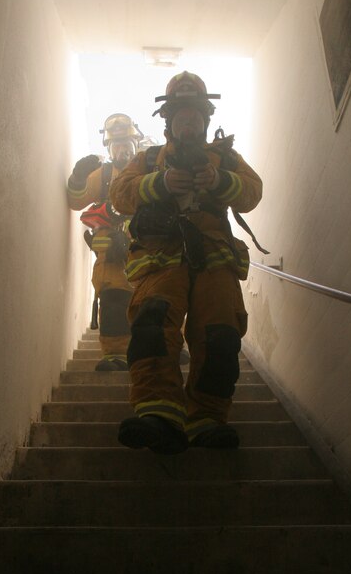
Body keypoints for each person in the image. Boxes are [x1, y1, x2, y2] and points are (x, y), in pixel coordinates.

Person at [109, 71, 263, 452]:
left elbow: (252, 191)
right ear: (169, 123)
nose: (189, 122)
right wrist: (158, 184)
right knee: (151, 327)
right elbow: (119, 194)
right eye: (181, 116)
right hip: (161, 258)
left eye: (195, 116)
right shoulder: (147, 160)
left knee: (220, 334)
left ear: (206, 122)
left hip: (215, 258)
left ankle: (207, 419)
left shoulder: (225, 158)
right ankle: (159, 416)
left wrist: (218, 180)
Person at [67, 114, 143, 371]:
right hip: (111, 253)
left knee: (156, 296)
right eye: (117, 144)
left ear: (136, 143)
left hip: (147, 248)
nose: (123, 149)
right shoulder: (105, 174)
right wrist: (78, 179)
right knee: (113, 300)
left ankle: (162, 351)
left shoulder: (148, 170)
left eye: (127, 143)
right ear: (109, 148)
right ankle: (115, 355)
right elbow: (77, 201)